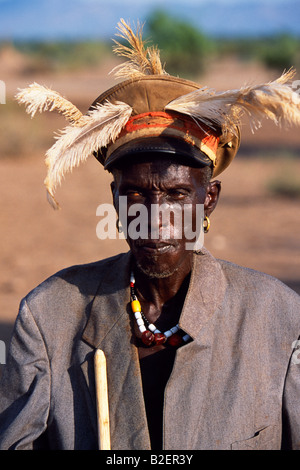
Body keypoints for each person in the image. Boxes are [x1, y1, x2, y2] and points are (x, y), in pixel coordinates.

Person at [0, 19, 300, 451]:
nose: (156, 217)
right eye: (135, 193)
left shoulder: (277, 318)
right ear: (115, 199)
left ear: (209, 199)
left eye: (177, 193)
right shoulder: (50, 318)